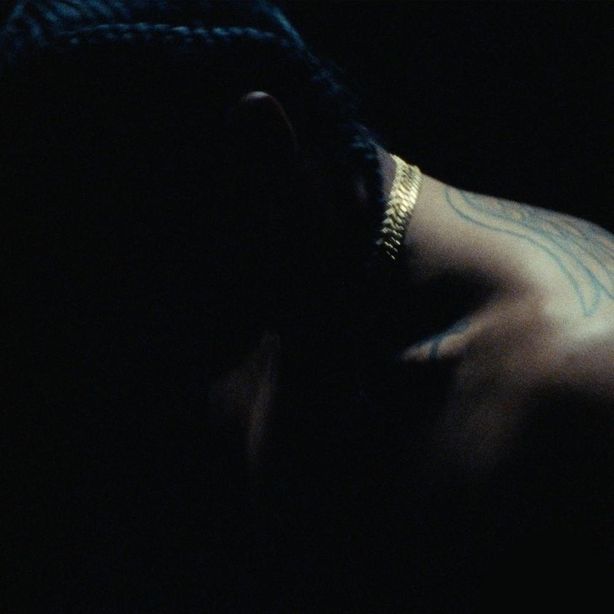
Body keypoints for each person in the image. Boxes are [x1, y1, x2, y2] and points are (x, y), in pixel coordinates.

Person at [2, 1, 612, 611]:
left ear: (257, 150)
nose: (88, 318)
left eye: (99, 243)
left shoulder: (574, 395)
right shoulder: (288, 308)